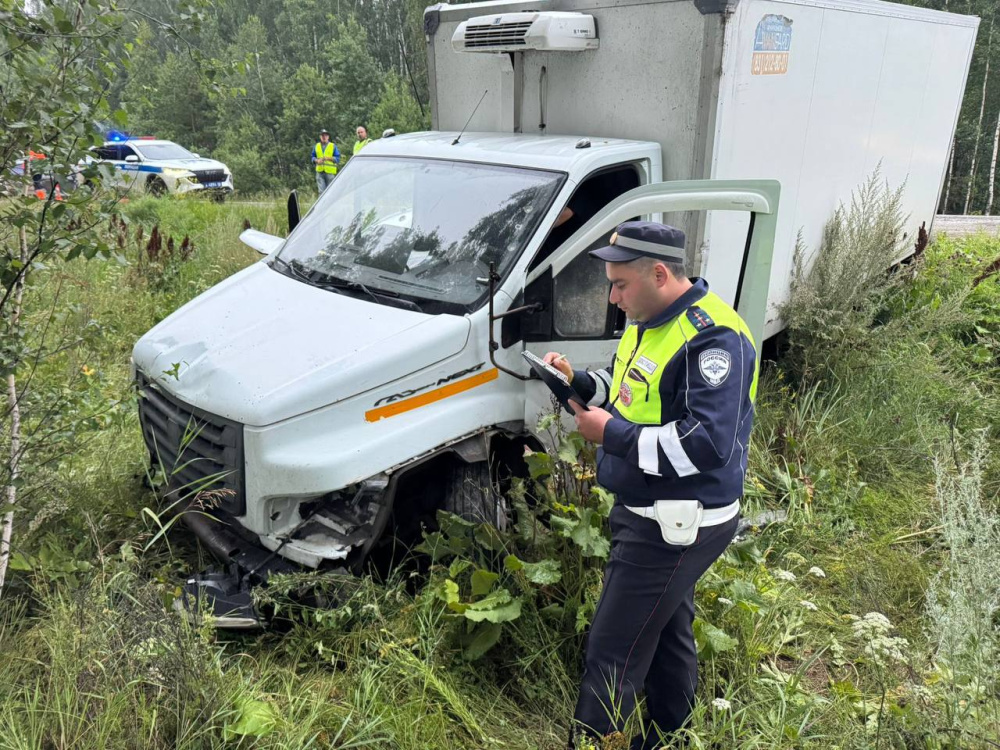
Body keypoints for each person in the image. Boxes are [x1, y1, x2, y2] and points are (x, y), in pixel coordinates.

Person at [543, 221, 758, 749]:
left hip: (674, 522)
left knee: (612, 652)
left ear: (659, 274)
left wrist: (611, 434)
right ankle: (672, 738)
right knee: (665, 633)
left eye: (620, 285)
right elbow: (631, 389)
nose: (613, 299)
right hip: (655, 511)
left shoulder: (713, 338)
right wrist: (579, 382)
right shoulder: (649, 319)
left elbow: (707, 443)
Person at [312, 129, 339, 193]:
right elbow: (312, 157)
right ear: (320, 137)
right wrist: (316, 161)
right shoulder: (316, 146)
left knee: (330, 192)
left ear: (328, 137)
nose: (324, 137)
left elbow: (337, 158)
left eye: (326, 135)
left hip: (330, 173)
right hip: (320, 172)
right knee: (321, 192)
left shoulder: (333, 146)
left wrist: (329, 158)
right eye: (322, 135)